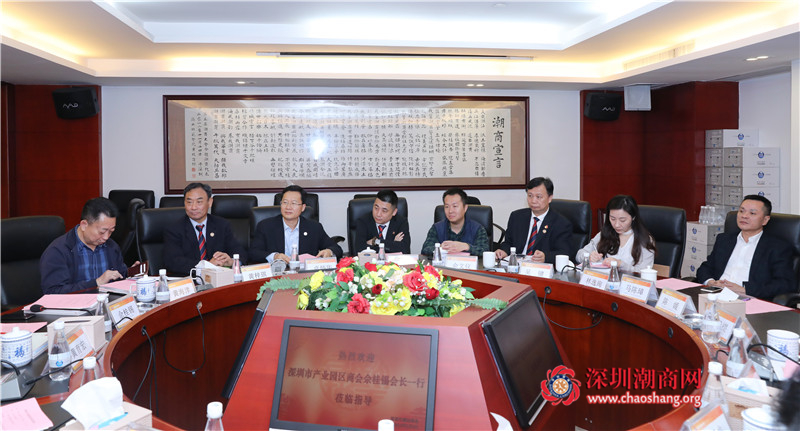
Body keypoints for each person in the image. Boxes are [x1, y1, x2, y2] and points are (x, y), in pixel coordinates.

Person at [696, 195, 795, 299]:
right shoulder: (724, 240)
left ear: (765, 220)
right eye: (741, 211)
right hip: (715, 294)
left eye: (752, 213)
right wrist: (711, 282)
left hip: (747, 299)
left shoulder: (777, 247)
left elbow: (785, 283)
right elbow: (705, 268)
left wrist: (745, 289)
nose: (744, 216)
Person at [41, 197, 132, 294]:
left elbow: (119, 277)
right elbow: (53, 292)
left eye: (111, 231)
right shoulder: (58, 251)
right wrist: (96, 283)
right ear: (84, 225)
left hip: (108, 301)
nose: (106, 237)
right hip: (75, 303)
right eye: (102, 232)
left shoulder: (111, 247)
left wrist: (131, 273)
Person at [163, 183, 246, 275]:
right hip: (190, 279)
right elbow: (172, 261)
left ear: (210, 202)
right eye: (189, 202)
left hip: (219, 278)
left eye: (199, 202)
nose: (193, 207)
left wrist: (232, 261)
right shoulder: (174, 229)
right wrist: (207, 266)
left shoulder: (222, 225)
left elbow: (241, 253)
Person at [249, 185, 343, 263]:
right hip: (276, 275)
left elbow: (336, 248)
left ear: (303, 207)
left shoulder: (314, 227)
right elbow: (253, 252)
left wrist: (329, 251)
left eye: (294, 203)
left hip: (305, 276)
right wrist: (275, 256)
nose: (288, 207)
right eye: (285, 202)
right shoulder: (266, 226)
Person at [496, 177, 572, 264]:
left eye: (538, 197)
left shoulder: (561, 223)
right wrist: (503, 251)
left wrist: (546, 257)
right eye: (530, 196)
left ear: (550, 198)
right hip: (517, 266)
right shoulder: (516, 217)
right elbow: (508, 243)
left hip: (541, 268)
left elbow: (564, 252)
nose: (533, 201)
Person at [577, 195, 656, 273]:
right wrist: (588, 257)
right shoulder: (605, 234)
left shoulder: (645, 240)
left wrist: (620, 264)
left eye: (622, 220)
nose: (616, 225)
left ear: (633, 217)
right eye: (613, 219)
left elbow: (644, 272)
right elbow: (579, 255)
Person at [421, 188, 489, 256]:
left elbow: (485, 251)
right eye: (447, 207)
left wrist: (467, 247)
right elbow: (425, 250)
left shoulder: (478, 229)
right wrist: (440, 247)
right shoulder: (436, 228)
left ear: (465, 208)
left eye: (455, 206)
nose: (450, 211)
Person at [353, 189, 411, 254]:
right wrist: (393, 243)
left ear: (394, 212)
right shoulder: (363, 221)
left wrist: (375, 241)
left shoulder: (401, 222)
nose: (378, 214)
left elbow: (405, 250)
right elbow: (360, 250)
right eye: (376, 208)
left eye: (384, 210)